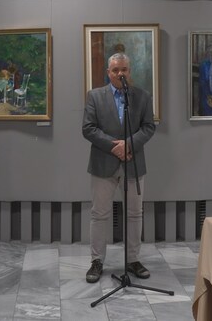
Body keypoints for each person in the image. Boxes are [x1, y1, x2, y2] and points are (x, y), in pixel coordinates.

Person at [82, 52, 156, 283]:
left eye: (124, 69)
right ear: (108, 73)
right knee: (99, 214)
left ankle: (133, 260)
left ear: (129, 71)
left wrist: (128, 145)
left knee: (135, 214)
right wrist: (115, 147)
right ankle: (96, 261)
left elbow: (149, 127)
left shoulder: (142, 96)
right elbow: (88, 128)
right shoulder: (95, 96)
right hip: (103, 163)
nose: (120, 73)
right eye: (115, 70)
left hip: (133, 163)